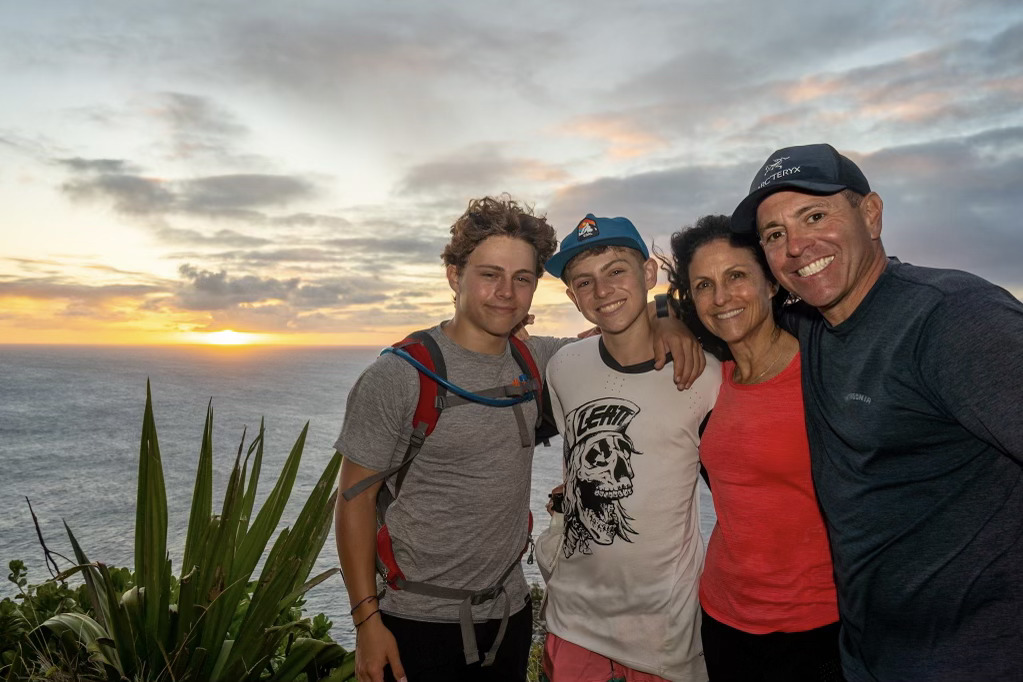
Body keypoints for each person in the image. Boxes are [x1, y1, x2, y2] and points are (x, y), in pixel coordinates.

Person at [334, 197, 705, 682]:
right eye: (489, 274)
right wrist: (367, 622)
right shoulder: (398, 377)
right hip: (416, 621)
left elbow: (618, 335)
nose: (506, 293)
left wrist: (668, 315)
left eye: (523, 278)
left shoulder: (542, 361)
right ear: (454, 275)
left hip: (510, 616)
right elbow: (352, 503)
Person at [730, 143, 1023, 681]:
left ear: (871, 213)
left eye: (815, 216)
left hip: (975, 658)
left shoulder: (952, 318)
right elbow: (728, 313)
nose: (796, 246)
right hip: (867, 652)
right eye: (774, 235)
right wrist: (669, 322)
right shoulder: (812, 324)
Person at [540, 214, 720, 682]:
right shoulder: (563, 366)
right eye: (584, 281)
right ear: (572, 297)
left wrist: (670, 313)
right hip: (573, 622)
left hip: (666, 635)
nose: (602, 291)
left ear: (647, 274)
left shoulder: (706, 376)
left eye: (617, 270)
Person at [666, 215, 843, 681]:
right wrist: (661, 318)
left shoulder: (823, 374)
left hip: (818, 625)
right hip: (724, 617)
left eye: (736, 276)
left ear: (770, 283)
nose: (721, 297)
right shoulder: (710, 381)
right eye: (704, 285)